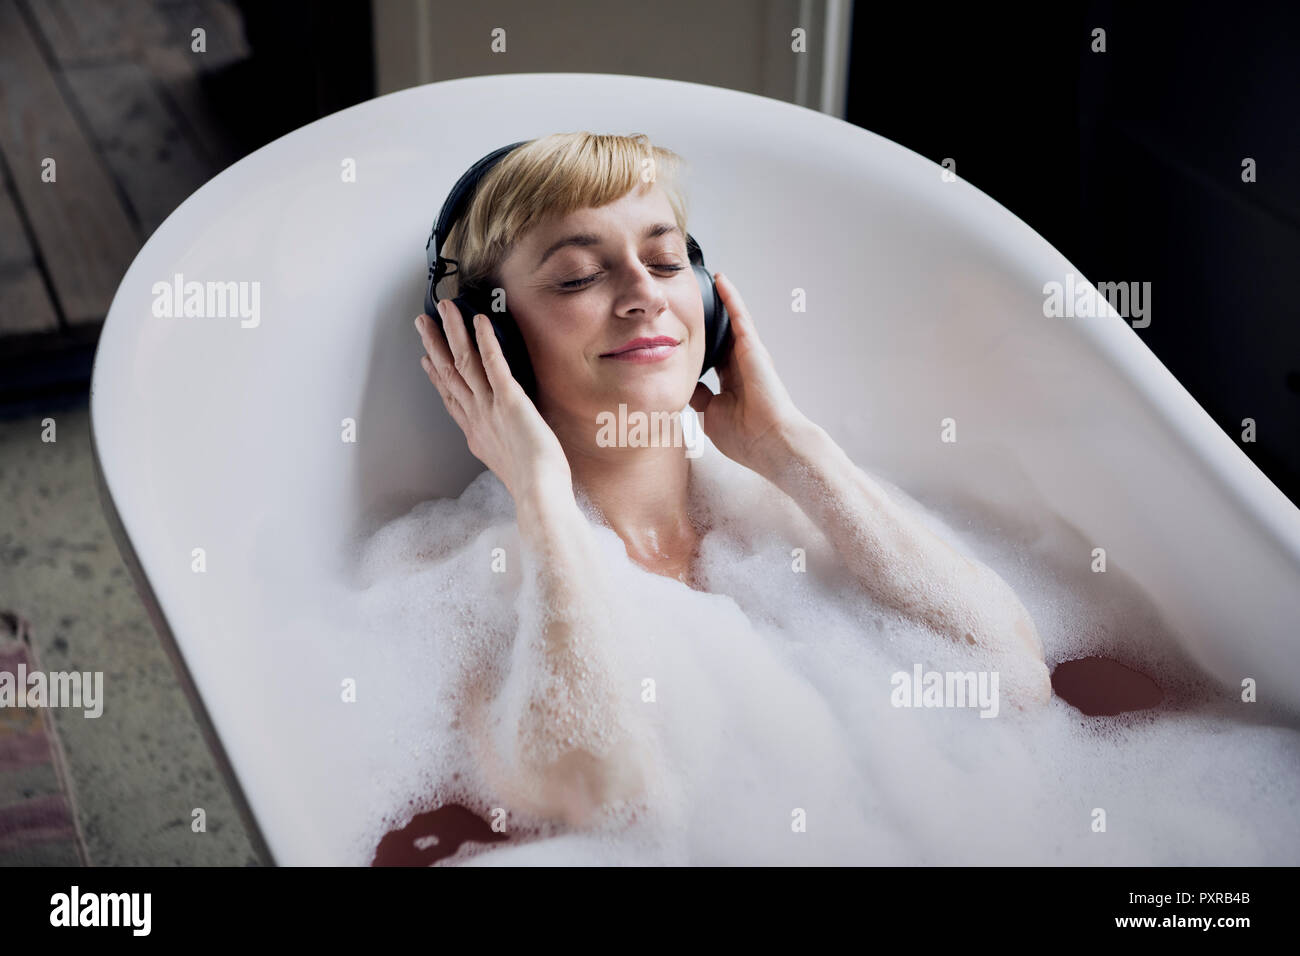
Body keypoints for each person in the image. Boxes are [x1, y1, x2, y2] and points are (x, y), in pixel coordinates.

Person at [412, 132, 1050, 829]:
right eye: (576, 277)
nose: (645, 294)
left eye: (666, 259)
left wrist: (790, 448)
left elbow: (1011, 673)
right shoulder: (477, 587)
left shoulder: (791, 518)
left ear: (709, 305)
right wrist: (543, 499)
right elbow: (610, 807)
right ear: (489, 339)